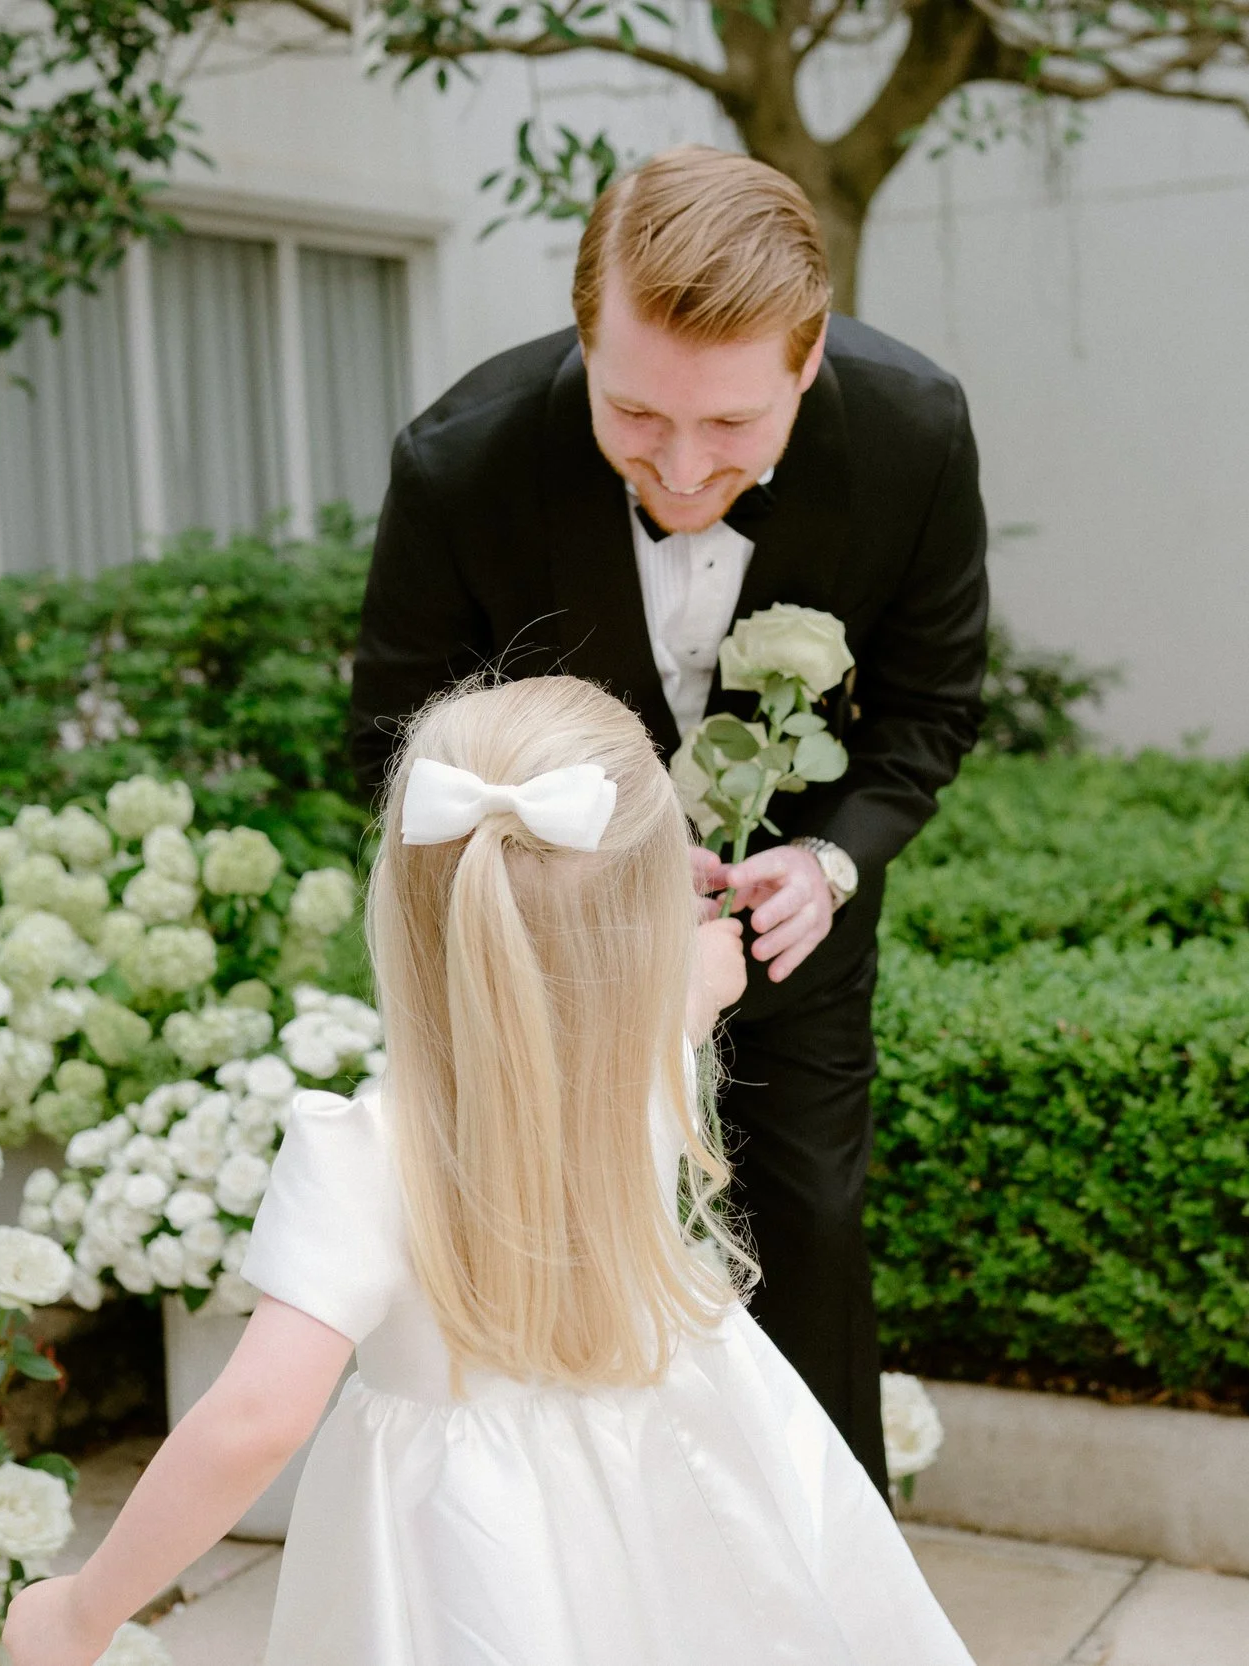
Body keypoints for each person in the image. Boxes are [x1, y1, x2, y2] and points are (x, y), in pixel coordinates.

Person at [4, 677, 971, 1665]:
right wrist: (667, 935)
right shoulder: (646, 1051)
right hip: (674, 1468)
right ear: (643, 910)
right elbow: (688, 991)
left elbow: (254, 1419)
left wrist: (81, 1612)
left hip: (460, 1552)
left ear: (410, 899)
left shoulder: (365, 1153)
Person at [347, 145, 988, 1487]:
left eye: (733, 424)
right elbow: (391, 745)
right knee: (559, 1248)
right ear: (585, 338)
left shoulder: (917, 433)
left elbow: (929, 711)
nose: (683, 468)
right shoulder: (458, 465)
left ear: (806, 361)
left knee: (807, 1222)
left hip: (787, 928)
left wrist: (832, 858)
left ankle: (824, 1585)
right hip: (544, 940)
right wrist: (571, 863)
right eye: (636, 412)